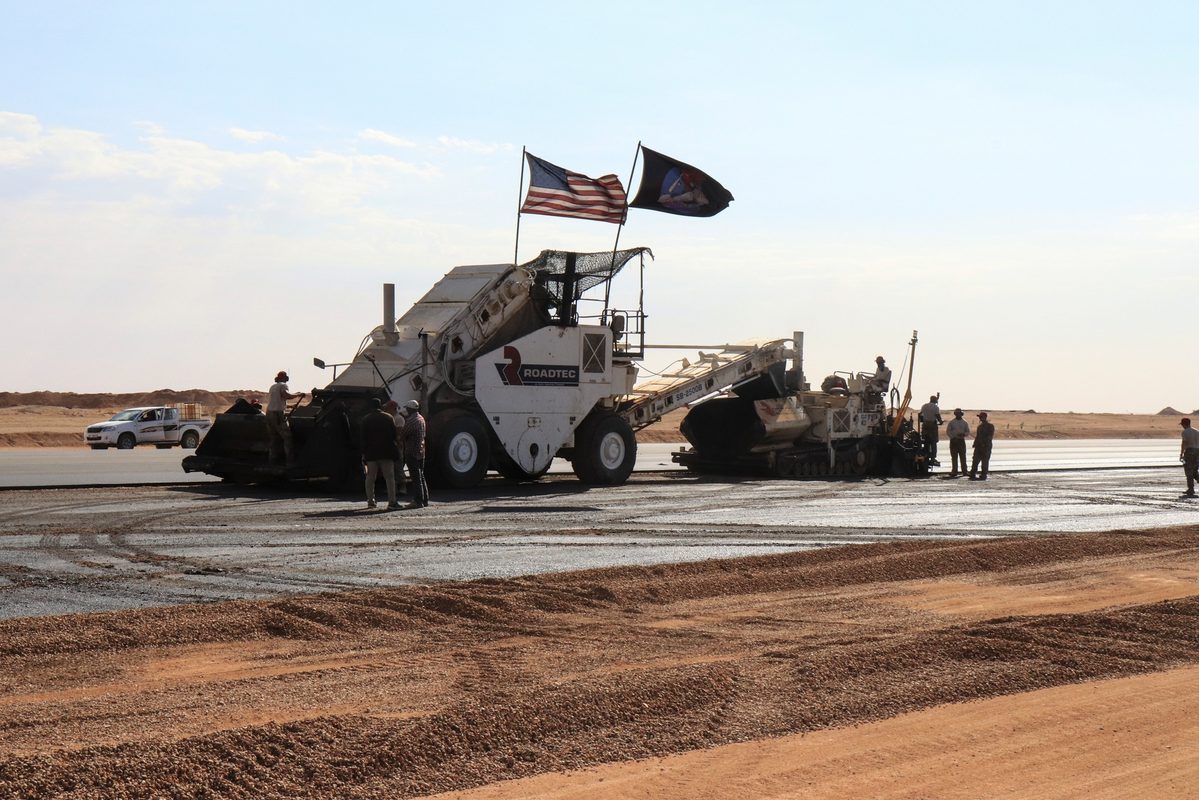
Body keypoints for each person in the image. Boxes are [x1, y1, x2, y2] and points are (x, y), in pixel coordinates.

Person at [360, 399, 401, 510]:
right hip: (386, 452)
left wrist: (363, 453)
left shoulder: (366, 419)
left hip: (371, 454)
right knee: (389, 477)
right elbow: (394, 435)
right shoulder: (388, 417)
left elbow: (363, 438)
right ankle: (392, 501)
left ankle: (370, 501)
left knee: (370, 478)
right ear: (380, 406)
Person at [266, 371, 304, 464]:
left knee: (274, 438)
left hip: (269, 413)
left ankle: (272, 460)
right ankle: (290, 461)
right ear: (284, 378)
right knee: (287, 437)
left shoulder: (272, 387)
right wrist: (298, 394)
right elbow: (286, 395)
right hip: (277, 414)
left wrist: (290, 406)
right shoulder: (283, 385)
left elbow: (277, 401)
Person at [398, 399, 429, 509]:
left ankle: (418, 501)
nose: (406, 410)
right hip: (421, 451)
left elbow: (403, 435)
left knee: (416, 478)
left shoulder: (411, 420)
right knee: (421, 477)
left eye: (407, 408)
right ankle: (425, 500)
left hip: (412, 452)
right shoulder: (421, 418)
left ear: (410, 409)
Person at [383, 400, 407, 496]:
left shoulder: (398, 418)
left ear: (392, 408)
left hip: (397, 446)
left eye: (387, 408)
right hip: (392, 445)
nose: (385, 409)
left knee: (398, 467)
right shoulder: (391, 417)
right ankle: (394, 488)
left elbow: (399, 433)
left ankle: (402, 487)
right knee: (391, 468)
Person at [969, 411, 996, 480]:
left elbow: (990, 436)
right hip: (978, 446)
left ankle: (984, 475)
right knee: (975, 460)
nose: (980, 418)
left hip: (986, 446)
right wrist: (975, 443)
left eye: (981, 417)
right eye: (980, 417)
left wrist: (984, 444)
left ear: (985, 417)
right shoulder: (980, 426)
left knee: (985, 461)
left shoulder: (990, 426)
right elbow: (978, 436)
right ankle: (973, 474)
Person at [918, 394, 943, 464]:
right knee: (933, 442)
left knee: (926, 442)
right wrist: (940, 421)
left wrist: (922, 420)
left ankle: (926, 456)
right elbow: (937, 415)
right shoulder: (935, 407)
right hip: (932, 426)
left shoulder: (924, 406)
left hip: (925, 425)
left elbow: (919, 414)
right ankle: (933, 458)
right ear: (935, 400)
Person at [946, 408, 970, 477]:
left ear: (961, 414)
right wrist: (953, 438)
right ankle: (954, 471)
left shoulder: (964, 422)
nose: (958, 414)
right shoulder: (952, 422)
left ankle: (964, 471)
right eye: (956, 413)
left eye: (959, 413)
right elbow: (948, 431)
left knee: (963, 456)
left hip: (961, 441)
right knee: (954, 457)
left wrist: (964, 434)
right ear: (955, 414)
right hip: (953, 441)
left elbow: (968, 431)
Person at [1179, 417, 1199, 497]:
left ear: (1184, 424)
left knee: (1188, 471)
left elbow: (1184, 443)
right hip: (1198, 451)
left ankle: (1191, 489)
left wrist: (1181, 454)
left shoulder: (1185, 432)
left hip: (1189, 452)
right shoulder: (1197, 431)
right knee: (1194, 469)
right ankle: (1191, 488)